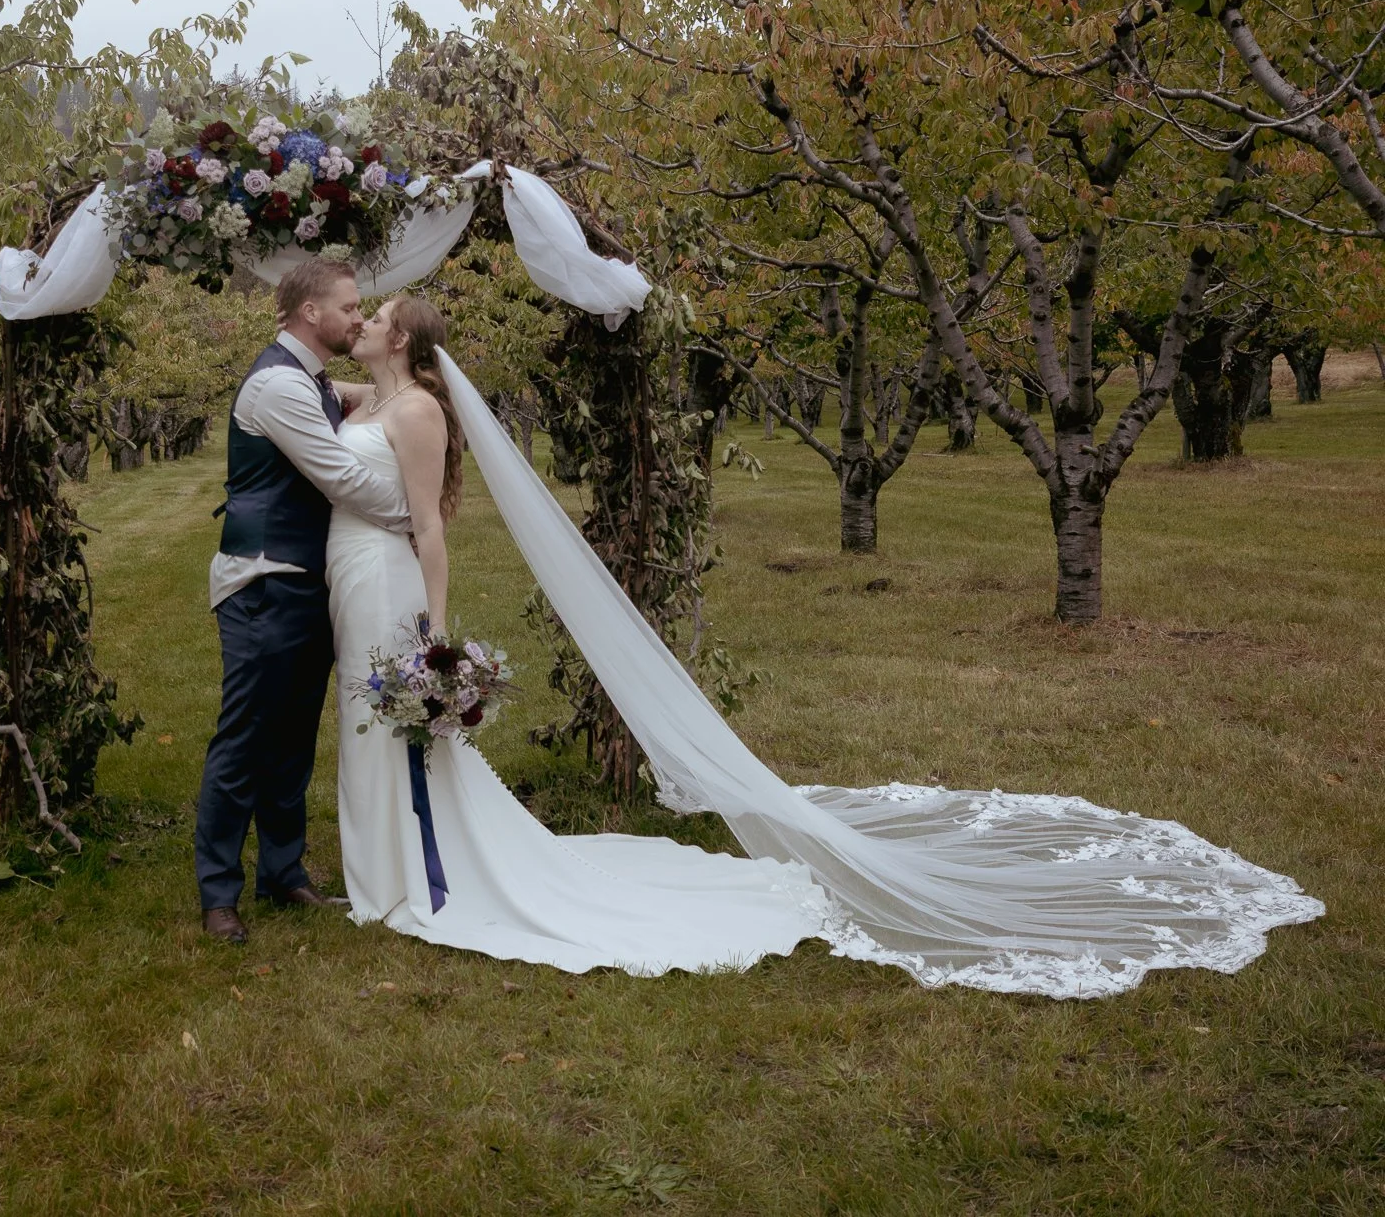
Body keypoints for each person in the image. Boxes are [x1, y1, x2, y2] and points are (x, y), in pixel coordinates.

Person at [316, 295, 1323, 992]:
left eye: (376, 316)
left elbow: (429, 522)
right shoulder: (375, 398)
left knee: (397, 733)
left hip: (394, 581)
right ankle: (396, 864)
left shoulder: (412, 409)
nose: (361, 324)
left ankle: (411, 874)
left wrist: (439, 637)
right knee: (374, 733)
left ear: (406, 340)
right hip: (355, 574)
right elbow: (326, 410)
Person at [193, 258, 409, 945]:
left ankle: (283, 872)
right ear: (310, 313)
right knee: (246, 738)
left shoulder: (310, 378)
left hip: (305, 579)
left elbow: (363, 396)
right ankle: (218, 892)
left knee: (291, 740)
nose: (357, 315)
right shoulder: (278, 386)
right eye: (349, 306)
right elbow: (343, 477)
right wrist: (417, 511)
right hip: (263, 579)